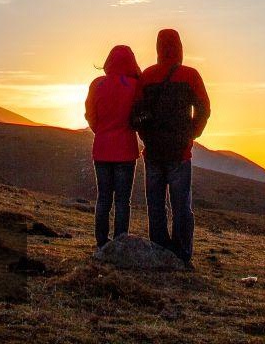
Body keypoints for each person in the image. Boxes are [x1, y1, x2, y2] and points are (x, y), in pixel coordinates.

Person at [131, 28, 210, 266]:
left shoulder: (147, 76)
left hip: (154, 151)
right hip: (180, 151)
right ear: (180, 47)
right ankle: (182, 255)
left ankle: (158, 251)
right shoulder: (190, 75)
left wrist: (146, 136)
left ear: (157, 48)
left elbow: (137, 112)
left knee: (156, 205)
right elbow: (204, 108)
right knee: (181, 206)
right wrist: (192, 133)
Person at [85, 44, 141, 249]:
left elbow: (90, 114)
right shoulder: (135, 85)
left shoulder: (97, 84)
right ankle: (120, 243)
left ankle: (101, 242)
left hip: (101, 148)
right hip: (126, 149)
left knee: (103, 198)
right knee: (122, 201)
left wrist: (100, 131)